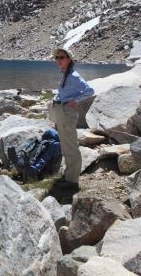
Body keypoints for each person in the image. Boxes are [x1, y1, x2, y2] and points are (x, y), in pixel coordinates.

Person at [50, 47, 94, 189]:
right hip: (62, 112)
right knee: (65, 144)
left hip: (67, 113)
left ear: (69, 59)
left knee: (71, 146)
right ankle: (69, 176)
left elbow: (89, 90)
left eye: (61, 57)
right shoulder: (65, 74)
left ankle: (72, 181)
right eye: (57, 58)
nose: (58, 60)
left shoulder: (73, 75)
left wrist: (76, 100)